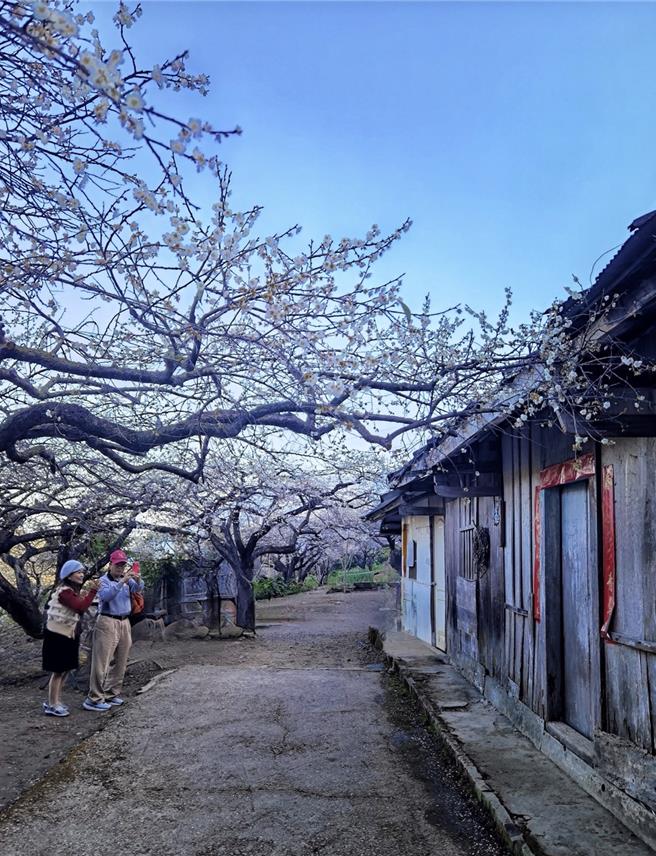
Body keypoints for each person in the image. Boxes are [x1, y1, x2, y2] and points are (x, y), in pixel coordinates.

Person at [83, 549, 144, 712]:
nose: (120, 568)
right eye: (117, 565)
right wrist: (121, 582)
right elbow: (106, 596)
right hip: (107, 621)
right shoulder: (103, 580)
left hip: (125, 621)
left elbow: (137, 589)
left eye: (123, 565)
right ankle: (94, 698)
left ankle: (111, 693)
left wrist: (138, 579)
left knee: (121, 660)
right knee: (102, 660)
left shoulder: (126, 579)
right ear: (110, 565)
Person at [42, 559, 100, 717]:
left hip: (68, 635)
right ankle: (52, 704)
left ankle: (56, 701)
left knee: (66, 669)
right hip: (57, 637)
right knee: (58, 670)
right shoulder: (64, 592)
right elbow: (80, 607)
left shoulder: (70, 591)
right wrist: (93, 591)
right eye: (78, 572)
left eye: (82, 572)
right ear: (69, 575)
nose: (82, 575)